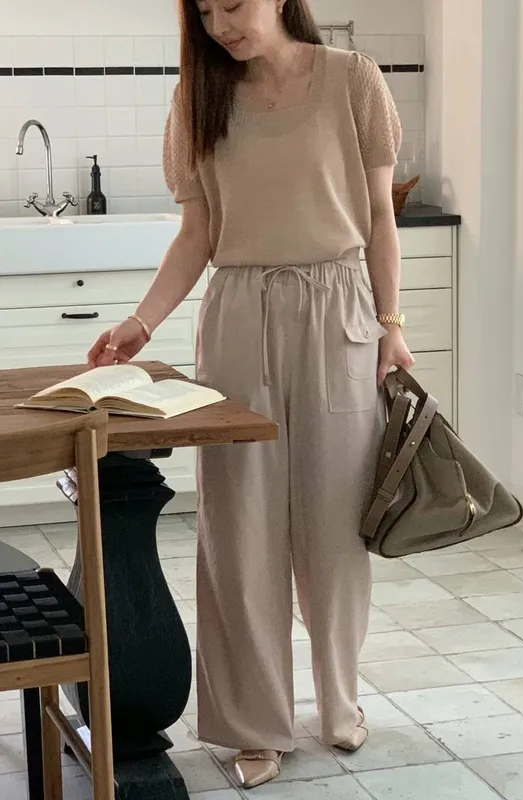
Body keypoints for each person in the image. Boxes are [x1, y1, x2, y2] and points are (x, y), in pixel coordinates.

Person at [88, 0, 414, 789]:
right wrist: (141, 321)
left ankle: (340, 700)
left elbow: (379, 215)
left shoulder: (353, 80)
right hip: (238, 315)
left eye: (232, 4)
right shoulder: (197, 99)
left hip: (339, 311)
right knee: (239, 528)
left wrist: (392, 326)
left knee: (336, 526)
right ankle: (251, 724)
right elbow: (196, 235)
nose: (220, 24)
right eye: (204, 12)